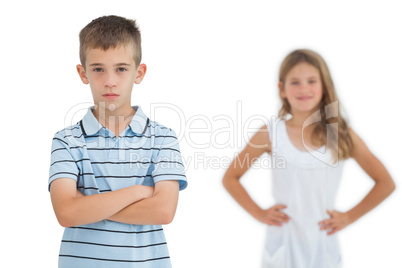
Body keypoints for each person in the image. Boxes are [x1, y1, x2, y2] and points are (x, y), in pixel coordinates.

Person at [222, 49, 395, 268]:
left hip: (323, 245)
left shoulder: (340, 133)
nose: (303, 88)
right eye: (295, 82)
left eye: (311, 81)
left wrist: (349, 217)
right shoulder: (270, 133)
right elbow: (231, 177)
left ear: (324, 86)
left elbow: (385, 183)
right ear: (281, 89)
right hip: (283, 245)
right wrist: (258, 212)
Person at [48, 15, 187, 268]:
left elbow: (164, 211)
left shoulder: (163, 138)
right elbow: (66, 213)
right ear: (83, 73)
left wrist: (87, 206)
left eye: (121, 68)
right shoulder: (66, 140)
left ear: (139, 72)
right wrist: (139, 192)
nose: (110, 80)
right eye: (98, 69)